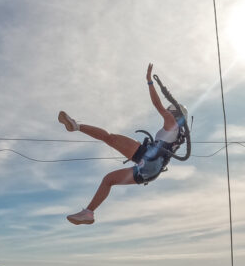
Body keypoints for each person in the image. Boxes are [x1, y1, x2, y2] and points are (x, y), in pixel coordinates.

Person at [58, 64, 188, 225]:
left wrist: (149, 81)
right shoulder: (178, 134)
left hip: (149, 159)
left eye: (170, 111)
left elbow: (157, 104)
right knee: (108, 179)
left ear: (174, 113)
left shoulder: (172, 123)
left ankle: (76, 126)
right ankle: (88, 213)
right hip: (151, 170)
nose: (167, 113)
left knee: (109, 138)